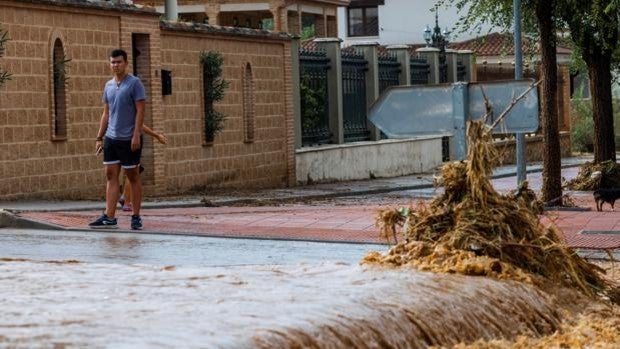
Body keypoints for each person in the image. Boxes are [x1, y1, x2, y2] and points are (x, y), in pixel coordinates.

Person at [90, 48, 145, 230]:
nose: (116, 65)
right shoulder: (108, 86)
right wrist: (100, 137)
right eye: (113, 62)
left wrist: (136, 134)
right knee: (111, 176)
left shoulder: (134, 83)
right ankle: (109, 216)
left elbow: (140, 110)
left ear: (126, 63)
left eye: (119, 62)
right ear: (110, 64)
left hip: (129, 139)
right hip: (111, 138)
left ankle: (136, 216)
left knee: (133, 176)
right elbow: (106, 113)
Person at [118, 125, 167, 212]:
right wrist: (157, 136)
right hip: (131, 141)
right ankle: (126, 201)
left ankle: (125, 197)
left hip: (124, 139)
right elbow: (140, 125)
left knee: (134, 170)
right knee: (133, 172)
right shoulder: (133, 112)